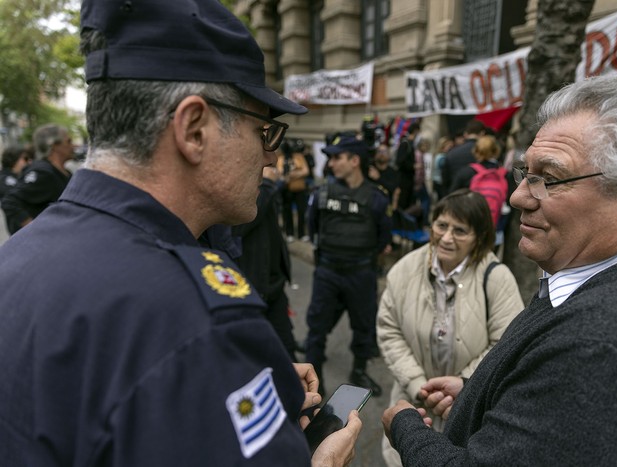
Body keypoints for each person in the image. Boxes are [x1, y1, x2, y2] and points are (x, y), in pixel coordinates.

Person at [0, 0, 362, 465]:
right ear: (194, 129)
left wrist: (222, 378)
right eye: (264, 132)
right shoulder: (203, 319)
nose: (271, 158)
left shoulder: (19, 256)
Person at [381, 68, 617, 465]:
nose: (517, 197)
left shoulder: (597, 345)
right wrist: (479, 391)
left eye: (550, 178)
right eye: (525, 173)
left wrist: (406, 426)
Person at [377, 188, 523, 466]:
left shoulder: (497, 279)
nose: (446, 238)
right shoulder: (406, 269)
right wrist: (419, 386)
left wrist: (465, 386)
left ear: (479, 237)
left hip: (469, 412)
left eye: (460, 231)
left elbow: (505, 345)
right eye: (441, 225)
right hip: (413, 402)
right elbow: (389, 329)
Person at [305, 135, 393, 397]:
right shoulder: (321, 194)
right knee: (317, 327)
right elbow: (313, 230)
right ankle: (314, 377)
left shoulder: (377, 198)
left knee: (363, 326)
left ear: (355, 161)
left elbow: (383, 238)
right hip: (328, 271)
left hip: (360, 273)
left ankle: (359, 370)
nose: (331, 163)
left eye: (337, 157)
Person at [230, 166, 298, 361]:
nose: (271, 159)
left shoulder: (260, 183)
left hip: (274, 285)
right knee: (257, 356)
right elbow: (240, 225)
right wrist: (267, 184)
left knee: (287, 352)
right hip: (252, 289)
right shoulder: (233, 186)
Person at [1, 124, 73, 234]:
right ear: (54, 145)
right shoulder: (42, 172)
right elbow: (10, 202)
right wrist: (36, 231)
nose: (73, 146)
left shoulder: (65, 172)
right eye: (68, 141)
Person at [278, 138, 311, 242]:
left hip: (300, 190)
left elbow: (306, 171)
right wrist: (298, 173)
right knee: (287, 212)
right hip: (287, 190)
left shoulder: (299, 157)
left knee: (302, 212)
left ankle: (301, 234)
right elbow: (281, 173)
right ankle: (289, 233)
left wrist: (293, 174)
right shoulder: (281, 159)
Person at [441, 119, 485, 195]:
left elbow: (445, 180)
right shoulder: (485, 153)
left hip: (456, 195)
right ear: (482, 133)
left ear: (465, 134)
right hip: (479, 197)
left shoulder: (451, 153)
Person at [396, 121, 420, 210]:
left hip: (409, 179)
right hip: (404, 179)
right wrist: (413, 166)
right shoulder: (405, 144)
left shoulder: (411, 144)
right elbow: (400, 162)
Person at [431, 136, 454, 201]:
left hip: (437, 182)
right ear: (443, 147)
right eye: (449, 147)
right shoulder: (442, 157)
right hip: (440, 183)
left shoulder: (438, 156)